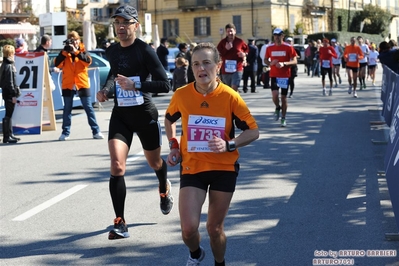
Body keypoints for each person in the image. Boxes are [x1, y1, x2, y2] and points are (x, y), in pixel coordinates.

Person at [164, 42, 259, 266]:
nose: (201, 69)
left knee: (214, 229)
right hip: (192, 167)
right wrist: (174, 145)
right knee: (188, 230)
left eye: (207, 63)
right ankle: (196, 253)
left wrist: (230, 145)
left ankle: (219, 263)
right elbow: (169, 119)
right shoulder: (182, 95)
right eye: (196, 64)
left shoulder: (230, 96)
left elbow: (253, 131)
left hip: (223, 169)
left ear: (218, 65)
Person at [96, 4, 173, 240]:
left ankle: (164, 187)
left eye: (125, 22)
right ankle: (120, 222)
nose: (120, 27)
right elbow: (113, 74)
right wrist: (106, 90)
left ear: (135, 26)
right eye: (117, 22)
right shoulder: (112, 50)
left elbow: (165, 84)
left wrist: (136, 85)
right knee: (117, 166)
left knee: (155, 163)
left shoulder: (145, 51)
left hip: (144, 114)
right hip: (121, 115)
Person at [54, 30, 104, 140]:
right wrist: (64, 52)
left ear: (79, 41)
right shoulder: (64, 53)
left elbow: (87, 61)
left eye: (75, 40)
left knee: (88, 108)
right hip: (68, 84)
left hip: (82, 83)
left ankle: (96, 131)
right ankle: (65, 132)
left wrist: (75, 51)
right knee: (67, 109)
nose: (74, 43)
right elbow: (57, 64)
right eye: (71, 41)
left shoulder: (83, 51)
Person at [264, 28, 297, 127]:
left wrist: (284, 63)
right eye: (275, 35)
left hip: (285, 76)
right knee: (274, 95)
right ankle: (278, 107)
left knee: (283, 97)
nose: (277, 37)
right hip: (274, 74)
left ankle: (283, 118)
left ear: (283, 36)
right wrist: (270, 63)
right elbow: (265, 59)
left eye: (279, 35)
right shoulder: (269, 48)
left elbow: (295, 61)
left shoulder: (288, 47)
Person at [217, 23, 249, 92]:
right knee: (228, 90)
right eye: (228, 31)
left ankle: (234, 98)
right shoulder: (222, 42)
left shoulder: (240, 41)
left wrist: (244, 54)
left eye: (231, 31)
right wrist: (226, 49)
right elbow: (217, 54)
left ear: (235, 31)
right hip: (226, 70)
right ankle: (234, 101)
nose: (230, 33)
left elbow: (247, 50)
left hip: (237, 68)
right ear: (226, 32)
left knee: (234, 87)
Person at [0, 44, 20, 143]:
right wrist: (13, 95)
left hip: (6, 92)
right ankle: (7, 136)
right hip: (9, 93)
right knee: (8, 114)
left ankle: (10, 134)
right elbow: (10, 82)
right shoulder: (9, 65)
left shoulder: (5, 64)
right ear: (11, 53)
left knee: (9, 114)